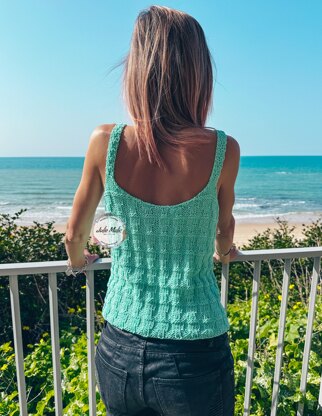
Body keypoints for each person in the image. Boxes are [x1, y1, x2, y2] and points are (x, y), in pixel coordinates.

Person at [64, 5, 240, 415]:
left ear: (138, 67)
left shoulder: (104, 142)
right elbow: (224, 230)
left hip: (119, 349)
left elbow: (74, 235)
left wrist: (79, 260)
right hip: (195, 351)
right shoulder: (223, 150)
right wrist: (226, 252)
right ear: (199, 72)